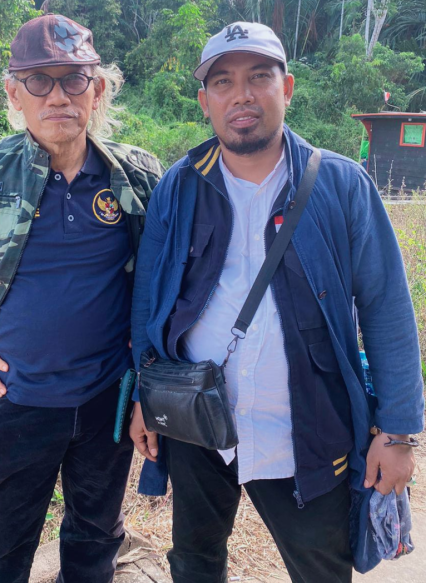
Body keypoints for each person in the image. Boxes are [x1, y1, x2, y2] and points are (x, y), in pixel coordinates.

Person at [129, 21, 423, 583]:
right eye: (223, 82)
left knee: (320, 567)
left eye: (258, 77)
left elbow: (387, 309)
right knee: (194, 558)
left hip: (308, 428)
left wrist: (398, 433)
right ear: (204, 102)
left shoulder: (340, 185)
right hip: (197, 420)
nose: (241, 94)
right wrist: (144, 395)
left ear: (286, 88)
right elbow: (149, 297)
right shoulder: (179, 185)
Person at [0, 14, 163, 583]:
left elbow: (162, 286)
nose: (57, 95)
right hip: (18, 402)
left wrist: (149, 384)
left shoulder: (138, 177)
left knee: (96, 539)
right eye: (38, 80)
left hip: (107, 402)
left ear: (97, 89)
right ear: (14, 92)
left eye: (73, 79)